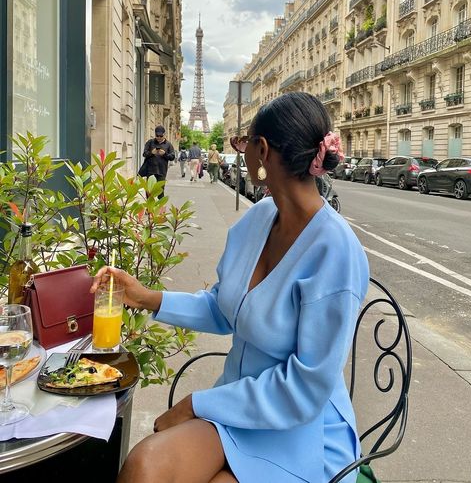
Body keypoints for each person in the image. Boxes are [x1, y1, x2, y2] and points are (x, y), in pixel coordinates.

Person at [92, 92, 369, 483]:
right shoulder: (256, 219)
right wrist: (143, 296)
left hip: (304, 428)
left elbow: (306, 388)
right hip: (236, 409)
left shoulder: (336, 251)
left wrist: (195, 404)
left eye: (243, 143)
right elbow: (225, 308)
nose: (242, 153)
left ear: (262, 150)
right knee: (145, 465)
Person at [140, 126, 175, 198]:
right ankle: (150, 208)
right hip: (150, 171)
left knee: (160, 191)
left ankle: (160, 208)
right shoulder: (150, 142)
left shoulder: (168, 144)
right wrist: (151, 152)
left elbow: (172, 157)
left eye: (161, 136)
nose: (159, 137)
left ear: (164, 135)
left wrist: (164, 154)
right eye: (157, 136)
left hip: (161, 171)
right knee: (149, 192)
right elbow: (144, 154)